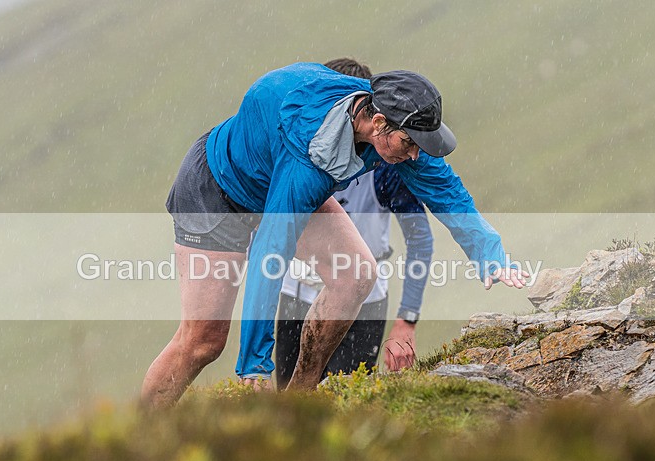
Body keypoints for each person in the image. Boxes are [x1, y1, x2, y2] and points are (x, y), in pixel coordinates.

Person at [142, 61, 528, 408]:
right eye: (409, 144)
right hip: (217, 192)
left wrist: (488, 252)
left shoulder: (390, 130)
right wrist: (255, 367)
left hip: (278, 181)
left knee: (357, 273)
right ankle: (141, 437)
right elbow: (271, 252)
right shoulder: (309, 152)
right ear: (378, 123)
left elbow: (444, 189)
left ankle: (298, 400)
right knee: (204, 342)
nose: (414, 155)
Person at [275, 58, 433, 390]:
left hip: (364, 305)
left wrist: (408, 319)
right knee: (289, 408)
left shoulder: (387, 168)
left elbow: (420, 238)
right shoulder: (300, 153)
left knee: (342, 404)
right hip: (297, 294)